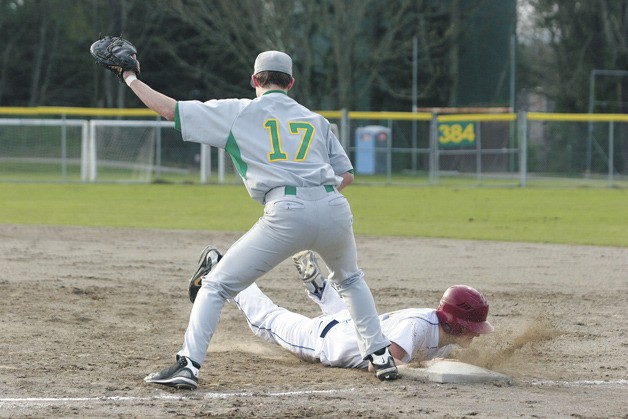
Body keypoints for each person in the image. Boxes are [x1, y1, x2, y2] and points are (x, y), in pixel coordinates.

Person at [125, 50, 399, 390]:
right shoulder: (314, 119)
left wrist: (130, 77)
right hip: (334, 205)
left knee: (216, 285)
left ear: (255, 80)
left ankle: (188, 365)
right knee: (351, 280)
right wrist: (317, 199)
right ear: (291, 83)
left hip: (285, 210)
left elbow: (169, 110)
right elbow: (346, 175)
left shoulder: (241, 111)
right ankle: (380, 357)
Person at [211, 249, 494, 371]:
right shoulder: (416, 327)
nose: (477, 335)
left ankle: (320, 288)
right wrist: (430, 366)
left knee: (346, 315)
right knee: (266, 321)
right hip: (324, 339)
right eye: (472, 328)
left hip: (350, 323)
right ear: (455, 324)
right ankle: (222, 269)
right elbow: (377, 365)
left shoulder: (442, 334)